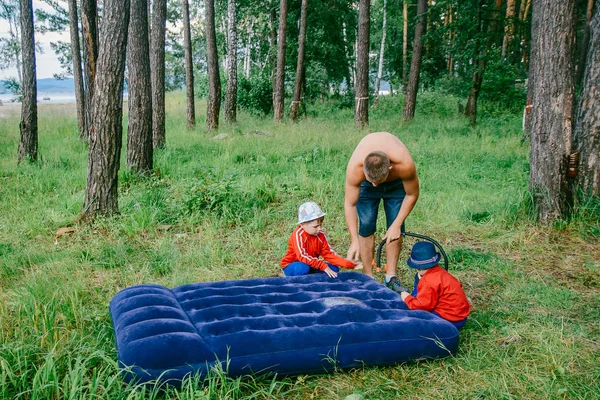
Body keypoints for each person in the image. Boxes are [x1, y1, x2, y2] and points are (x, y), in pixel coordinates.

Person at [344, 132, 419, 292]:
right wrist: (354, 240)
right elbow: (350, 204)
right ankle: (368, 276)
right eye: (372, 181)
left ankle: (390, 277)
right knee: (366, 223)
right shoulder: (355, 168)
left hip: (396, 185)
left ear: (390, 168)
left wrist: (397, 224)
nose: (375, 185)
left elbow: (412, 194)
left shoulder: (403, 164)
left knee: (395, 227)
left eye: (378, 181)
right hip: (367, 183)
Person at [394, 241, 471, 329]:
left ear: (418, 268)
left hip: (450, 320)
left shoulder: (428, 282)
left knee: (415, 319)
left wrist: (407, 298)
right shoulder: (440, 272)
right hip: (461, 316)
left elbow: (423, 306)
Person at [281, 201, 362, 278]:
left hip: (311, 264)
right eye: (315, 226)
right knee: (303, 268)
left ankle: (311, 278)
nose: (319, 228)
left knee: (334, 269)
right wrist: (323, 266)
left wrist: (348, 264)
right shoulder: (298, 235)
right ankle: (297, 282)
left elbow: (329, 254)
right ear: (302, 224)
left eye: (320, 225)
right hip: (293, 265)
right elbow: (302, 256)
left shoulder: (321, 235)